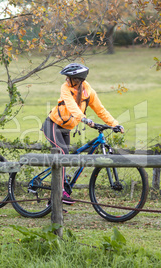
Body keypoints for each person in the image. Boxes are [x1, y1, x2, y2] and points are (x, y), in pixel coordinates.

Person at [41, 63, 124, 207]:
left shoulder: (89, 92)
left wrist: (114, 124)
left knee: (64, 158)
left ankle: (53, 205)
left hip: (65, 129)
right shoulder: (65, 88)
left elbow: (100, 110)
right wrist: (84, 119)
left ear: (77, 79)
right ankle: (60, 191)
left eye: (69, 78)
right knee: (63, 154)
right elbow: (72, 107)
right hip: (52, 125)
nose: (66, 80)